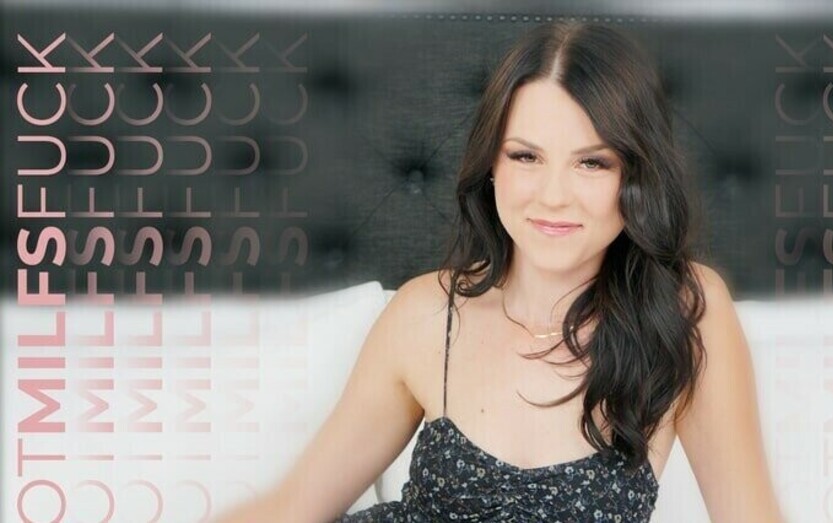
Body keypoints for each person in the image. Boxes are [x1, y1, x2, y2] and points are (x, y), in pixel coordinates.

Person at [218, 21, 782, 523]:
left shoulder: (685, 312)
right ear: (492, 165)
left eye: (592, 162)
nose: (553, 196)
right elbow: (292, 508)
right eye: (526, 156)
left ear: (634, 175)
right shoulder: (426, 313)